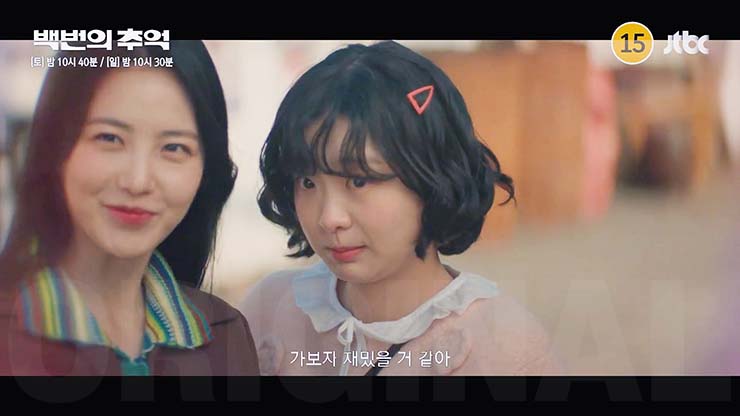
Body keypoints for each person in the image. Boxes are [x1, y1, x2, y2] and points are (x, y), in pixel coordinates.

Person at [240, 41, 562, 375]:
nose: (329, 218)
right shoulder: (269, 309)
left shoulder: (503, 346)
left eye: (359, 181)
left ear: (432, 176)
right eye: (308, 182)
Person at [0, 40, 259, 376]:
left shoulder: (225, 334)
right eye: (109, 138)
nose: (138, 181)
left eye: (174, 147)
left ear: (206, 172)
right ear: (55, 146)